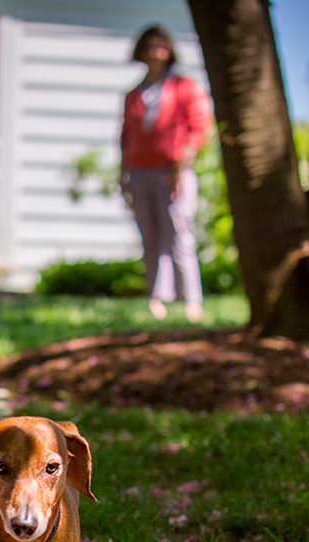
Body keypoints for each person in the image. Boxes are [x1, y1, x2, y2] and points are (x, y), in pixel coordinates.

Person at [120, 25, 212, 323]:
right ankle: (156, 297)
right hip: (139, 171)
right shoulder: (135, 93)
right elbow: (125, 136)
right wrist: (123, 173)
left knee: (178, 234)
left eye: (161, 46)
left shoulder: (183, 88)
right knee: (150, 236)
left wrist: (180, 165)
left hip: (172, 171)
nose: (155, 52)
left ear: (170, 51)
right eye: (150, 46)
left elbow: (198, 129)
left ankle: (192, 300)